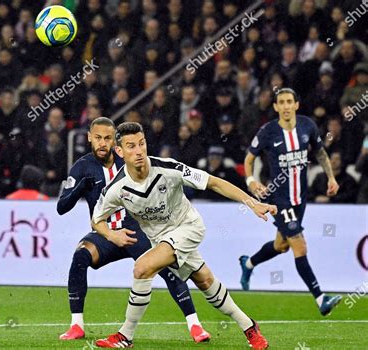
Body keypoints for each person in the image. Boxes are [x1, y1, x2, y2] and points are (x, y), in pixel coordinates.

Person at [92, 122, 276, 349]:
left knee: (142, 267)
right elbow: (96, 220)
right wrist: (112, 235)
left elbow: (214, 182)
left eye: (141, 144)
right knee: (205, 280)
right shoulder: (116, 188)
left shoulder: (169, 168)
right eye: (130, 146)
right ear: (119, 151)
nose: (138, 151)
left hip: (188, 227)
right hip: (161, 239)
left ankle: (125, 336)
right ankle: (249, 327)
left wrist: (252, 203)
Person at [57, 117, 210, 343]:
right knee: (80, 256)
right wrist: (80, 187)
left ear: (115, 142)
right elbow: (61, 207)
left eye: (107, 138)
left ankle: (195, 325)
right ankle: (76, 325)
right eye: (97, 138)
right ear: (89, 137)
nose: (102, 143)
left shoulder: (128, 160)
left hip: (136, 231)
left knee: (167, 266)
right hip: (106, 235)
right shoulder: (81, 167)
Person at [239, 88, 342, 316]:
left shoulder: (307, 126)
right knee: (299, 245)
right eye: (281, 102)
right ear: (275, 107)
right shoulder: (268, 131)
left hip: (300, 199)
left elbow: (321, 153)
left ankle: (248, 264)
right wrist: (251, 181)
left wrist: (331, 177)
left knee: (281, 246)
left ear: (296, 105)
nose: (285, 106)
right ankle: (321, 299)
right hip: (279, 199)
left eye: (289, 102)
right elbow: (249, 158)